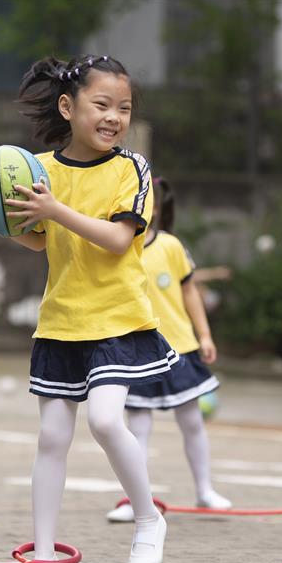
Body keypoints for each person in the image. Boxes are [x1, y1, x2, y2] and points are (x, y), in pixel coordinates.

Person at [0, 54, 175, 563]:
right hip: (60, 320)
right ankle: (45, 556)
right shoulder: (38, 170)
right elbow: (40, 240)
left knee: (104, 420)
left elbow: (120, 240)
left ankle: (148, 519)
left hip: (117, 319)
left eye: (123, 108)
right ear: (68, 107)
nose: (114, 117)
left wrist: (55, 211)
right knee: (52, 438)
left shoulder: (132, 169)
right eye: (102, 105)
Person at [106, 177, 231, 523]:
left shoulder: (172, 246)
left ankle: (205, 490)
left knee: (192, 421)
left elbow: (190, 292)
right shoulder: (114, 248)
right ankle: (135, 500)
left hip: (181, 347)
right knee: (138, 427)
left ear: (155, 209)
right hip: (137, 350)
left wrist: (204, 335)